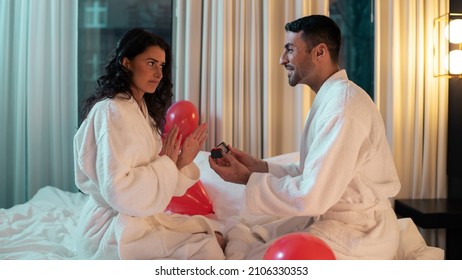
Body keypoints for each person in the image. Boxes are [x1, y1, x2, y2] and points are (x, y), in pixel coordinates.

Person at [209, 15, 401, 259]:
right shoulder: (333, 98)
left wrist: (248, 178)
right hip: (335, 218)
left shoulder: (342, 109)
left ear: (319, 52)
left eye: (290, 49)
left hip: (359, 232)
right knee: (250, 231)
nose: (282, 59)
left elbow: (312, 195)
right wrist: (259, 167)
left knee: (251, 256)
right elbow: (312, 175)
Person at [74, 28, 225, 260]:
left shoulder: (139, 109)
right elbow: (119, 190)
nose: (158, 73)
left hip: (139, 215)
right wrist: (167, 163)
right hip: (113, 230)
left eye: (162, 66)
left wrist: (179, 162)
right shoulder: (111, 111)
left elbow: (156, 187)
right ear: (127, 63)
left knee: (212, 234)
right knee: (207, 248)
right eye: (151, 63)